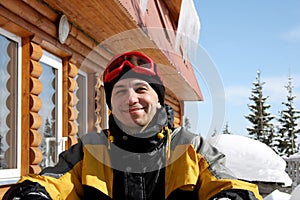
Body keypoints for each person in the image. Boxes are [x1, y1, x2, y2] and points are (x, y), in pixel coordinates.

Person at [3, 51, 262, 200]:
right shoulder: (90, 150)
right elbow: (55, 182)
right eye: (120, 92)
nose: (131, 99)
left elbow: (228, 183)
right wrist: (32, 194)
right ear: (111, 105)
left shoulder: (190, 147)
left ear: (158, 101)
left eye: (141, 89)